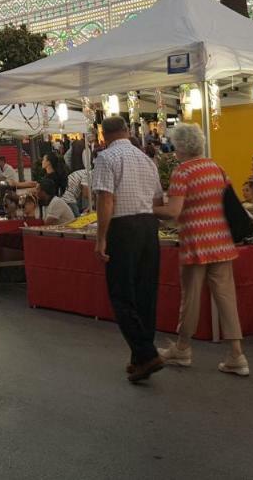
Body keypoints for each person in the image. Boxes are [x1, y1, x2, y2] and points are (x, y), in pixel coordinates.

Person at [155, 123, 249, 376]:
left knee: (191, 297)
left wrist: (149, 209)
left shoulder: (182, 172)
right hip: (222, 240)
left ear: (181, 147)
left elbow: (173, 212)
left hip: (196, 242)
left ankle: (183, 348)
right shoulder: (216, 168)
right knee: (226, 297)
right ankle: (236, 355)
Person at [92, 116, 165, 383]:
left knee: (121, 294)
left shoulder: (106, 158)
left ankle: (146, 354)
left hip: (123, 227)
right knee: (146, 292)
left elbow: (106, 199)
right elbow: (158, 199)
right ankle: (139, 357)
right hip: (148, 225)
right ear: (126, 131)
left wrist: (101, 238)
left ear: (104, 135)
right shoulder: (146, 158)